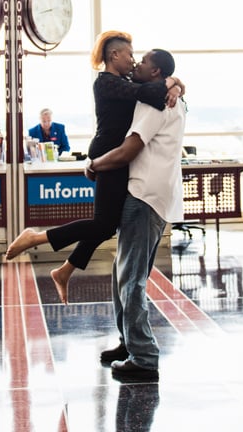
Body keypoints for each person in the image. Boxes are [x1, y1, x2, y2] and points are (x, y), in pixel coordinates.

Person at [6, 31, 184, 303]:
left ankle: (65, 270)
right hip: (108, 155)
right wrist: (172, 82)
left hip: (119, 158)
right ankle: (35, 238)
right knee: (103, 224)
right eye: (130, 54)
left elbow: (151, 88)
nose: (134, 61)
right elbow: (148, 91)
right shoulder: (106, 83)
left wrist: (175, 85)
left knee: (106, 225)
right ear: (114, 55)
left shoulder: (124, 80)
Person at [89, 49, 186, 382]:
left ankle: (143, 356)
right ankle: (129, 341)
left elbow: (129, 150)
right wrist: (175, 83)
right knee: (125, 272)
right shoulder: (173, 98)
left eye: (142, 61)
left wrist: (94, 165)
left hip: (144, 196)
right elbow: (170, 84)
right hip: (159, 195)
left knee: (130, 279)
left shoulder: (154, 103)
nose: (136, 65)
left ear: (155, 70)